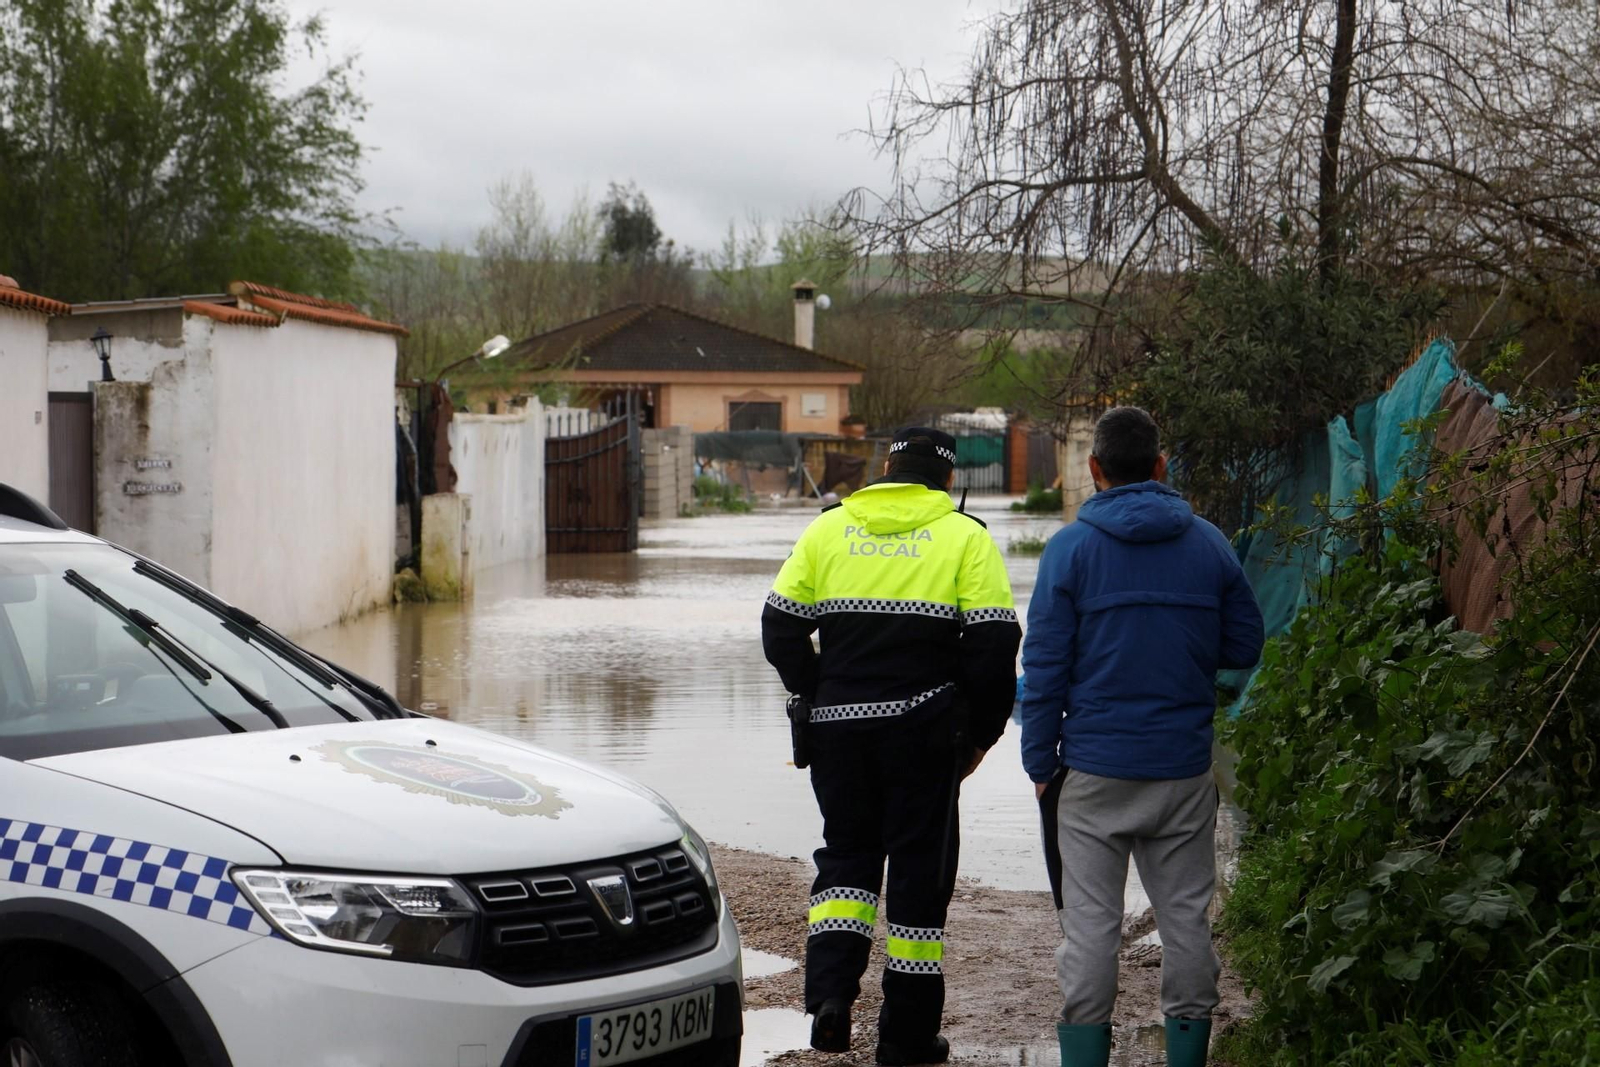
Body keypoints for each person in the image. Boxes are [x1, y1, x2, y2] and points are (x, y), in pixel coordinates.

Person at [761, 427, 1022, 1066]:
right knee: (917, 879)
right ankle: (905, 1037)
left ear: (886, 469)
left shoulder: (828, 529)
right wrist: (980, 737)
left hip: (838, 734)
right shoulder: (966, 538)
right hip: (925, 734)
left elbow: (778, 627)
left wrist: (816, 690)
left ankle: (829, 1001)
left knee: (846, 859)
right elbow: (993, 651)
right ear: (949, 481)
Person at [1018, 407, 1264, 1067]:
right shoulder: (1208, 542)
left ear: (1095, 470)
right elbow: (1245, 642)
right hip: (1182, 769)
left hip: (1094, 771)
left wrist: (1041, 760)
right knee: (1186, 916)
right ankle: (1186, 1054)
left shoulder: (1070, 549)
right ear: (1162, 466)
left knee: (1091, 925)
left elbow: (1042, 671)